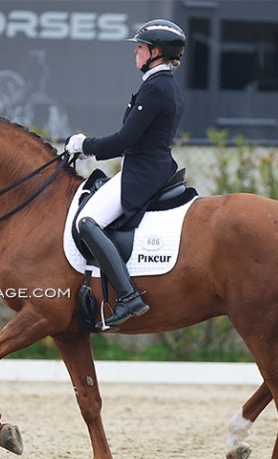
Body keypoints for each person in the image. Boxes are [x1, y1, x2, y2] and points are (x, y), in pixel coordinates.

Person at [65, 19, 186, 331]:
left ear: (156, 52)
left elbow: (125, 140)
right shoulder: (159, 84)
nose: (136, 52)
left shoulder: (157, 88)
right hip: (150, 167)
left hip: (143, 173)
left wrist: (84, 145)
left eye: (141, 48)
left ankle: (129, 296)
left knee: (86, 222)